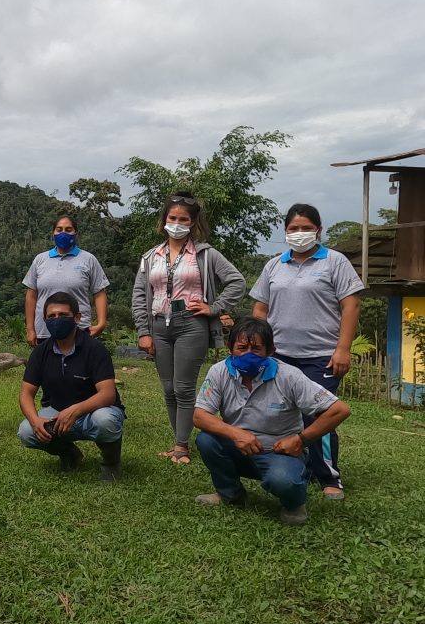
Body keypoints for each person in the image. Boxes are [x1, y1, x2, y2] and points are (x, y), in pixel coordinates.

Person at [250, 203, 364, 500]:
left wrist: (343, 349)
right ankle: (293, 466)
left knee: (319, 415)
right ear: (285, 232)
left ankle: (329, 477)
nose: (299, 234)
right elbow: (260, 308)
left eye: (305, 228)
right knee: (284, 415)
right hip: (280, 355)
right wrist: (259, 348)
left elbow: (350, 306)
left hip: (321, 355)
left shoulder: (335, 262)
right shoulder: (274, 265)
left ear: (319, 230)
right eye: (293, 229)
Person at [193, 317, 351, 525]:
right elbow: (199, 415)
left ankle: (294, 504)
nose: (248, 354)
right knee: (206, 440)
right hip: (240, 447)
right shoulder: (219, 371)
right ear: (230, 348)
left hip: (279, 452)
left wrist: (301, 440)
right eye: (241, 347)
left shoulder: (289, 376)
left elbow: (339, 410)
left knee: (283, 480)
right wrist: (236, 434)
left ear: (270, 350)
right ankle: (230, 494)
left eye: (256, 348)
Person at [131, 192, 245, 464]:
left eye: (184, 219)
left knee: (183, 388)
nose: (177, 223)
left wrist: (213, 307)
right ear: (164, 220)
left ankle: (182, 446)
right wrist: (143, 331)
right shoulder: (150, 257)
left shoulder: (206, 254)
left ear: (193, 223)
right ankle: (178, 442)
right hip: (159, 324)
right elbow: (138, 294)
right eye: (173, 218)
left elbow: (237, 281)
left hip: (191, 325)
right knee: (168, 388)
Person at [17, 292, 126, 482]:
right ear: (44, 320)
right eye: (51, 317)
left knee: (105, 421)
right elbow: (26, 394)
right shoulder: (41, 352)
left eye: (63, 315)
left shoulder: (95, 349)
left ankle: (111, 463)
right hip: (57, 412)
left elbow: (108, 394)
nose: (56, 320)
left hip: (95, 411)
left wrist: (75, 411)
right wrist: (36, 421)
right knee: (26, 431)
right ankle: (69, 453)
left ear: (77, 317)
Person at [23, 212, 110, 346]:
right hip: (45, 331)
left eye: (68, 230)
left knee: (80, 366)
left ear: (76, 233)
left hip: (80, 330)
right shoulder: (40, 260)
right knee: (47, 366)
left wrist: (101, 323)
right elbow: (31, 295)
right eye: (59, 230)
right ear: (53, 233)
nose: (63, 233)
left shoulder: (88, 259)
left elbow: (99, 293)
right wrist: (30, 328)